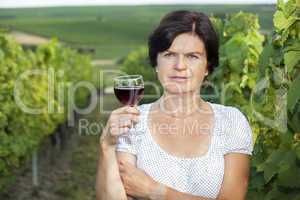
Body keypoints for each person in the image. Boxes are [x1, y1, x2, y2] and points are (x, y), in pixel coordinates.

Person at [96, 10, 253, 200]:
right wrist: (107, 146)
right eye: (170, 54)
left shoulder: (231, 122)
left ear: (207, 67)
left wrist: (157, 191)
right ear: (156, 63)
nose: (180, 66)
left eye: (192, 56)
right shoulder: (134, 123)